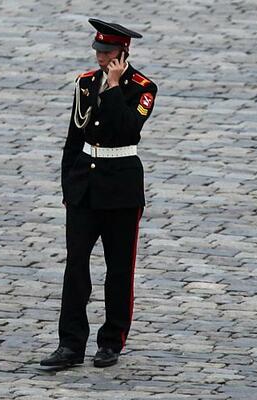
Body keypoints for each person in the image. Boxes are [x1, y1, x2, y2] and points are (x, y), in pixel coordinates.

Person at [41, 18, 158, 368]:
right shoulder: (84, 83)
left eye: (108, 53)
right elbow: (74, 138)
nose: (101, 59)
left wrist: (113, 87)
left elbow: (127, 129)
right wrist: (68, 186)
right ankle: (70, 344)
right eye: (99, 52)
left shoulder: (141, 88)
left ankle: (111, 341)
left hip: (121, 188)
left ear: (123, 53)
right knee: (75, 266)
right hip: (85, 187)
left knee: (119, 269)